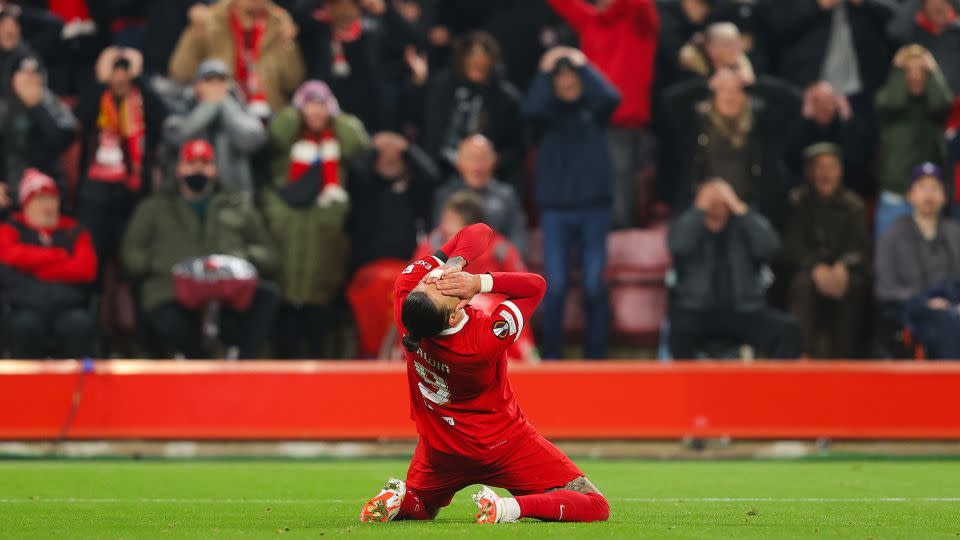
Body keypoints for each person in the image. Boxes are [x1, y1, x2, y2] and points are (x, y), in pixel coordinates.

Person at [359, 223, 610, 524]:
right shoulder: (481, 341)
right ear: (454, 314)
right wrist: (478, 282)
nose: (435, 280)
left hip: (441, 449)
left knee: (422, 506)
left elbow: (476, 230)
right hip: (502, 445)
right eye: (439, 288)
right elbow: (536, 285)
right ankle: (507, 509)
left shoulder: (407, 303)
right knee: (594, 504)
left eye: (427, 282)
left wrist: (452, 263)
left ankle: (399, 499)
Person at [121, 139, 279, 359]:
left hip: (228, 290)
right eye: (191, 163)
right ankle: (199, 364)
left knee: (267, 295)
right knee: (167, 318)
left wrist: (241, 259)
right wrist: (163, 263)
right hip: (172, 289)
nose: (198, 169)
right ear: (179, 169)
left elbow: (270, 254)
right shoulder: (155, 207)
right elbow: (131, 254)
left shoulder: (237, 206)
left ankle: (243, 365)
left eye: (205, 163)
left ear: (215, 169)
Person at [523, 46, 620, 360]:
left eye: (572, 77)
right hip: (555, 209)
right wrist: (543, 69)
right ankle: (553, 357)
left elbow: (611, 97)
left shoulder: (594, 110)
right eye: (560, 77)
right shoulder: (546, 116)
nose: (567, 83)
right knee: (557, 285)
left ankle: (597, 356)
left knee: (594, 284)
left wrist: (584, 65)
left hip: (595, 208)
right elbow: (531, 108)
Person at [260, 80, 369, 358]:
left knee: (319, 320)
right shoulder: (289, 138)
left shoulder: (338, 139)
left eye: (322, 105)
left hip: (323, 235)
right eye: (310, 104)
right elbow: (274, 133)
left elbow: (357, 141)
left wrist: (335, 115)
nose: (316, 112)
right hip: (286, 231)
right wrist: (295, 113)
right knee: (285, 324)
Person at [548, 0, 658, 229]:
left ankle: (622, 237)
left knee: (620, 183)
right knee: (587, 182)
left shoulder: (638, 20)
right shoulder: (591, 21)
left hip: (624, 121)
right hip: (589, 120)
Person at [667, 179, 801, 359]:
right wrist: (698, 211)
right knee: (678, 330)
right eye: (710, 200)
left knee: (786, 329)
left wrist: (740, 209)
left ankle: (778, 387)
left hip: (744, 310)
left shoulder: (743, 226)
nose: (715, 204)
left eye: (722, 200)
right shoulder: (690, 225)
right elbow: (677, 244)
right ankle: (686, 387)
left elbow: (770, 246)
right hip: (697, 310)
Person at [75, 47, 168, 268]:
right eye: (114, 70)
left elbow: (163, 120)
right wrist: (101, 81)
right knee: (93, 258)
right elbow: (80, 118)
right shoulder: (98, 97)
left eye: (124, 70)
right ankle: (92, 301)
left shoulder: (143, 99)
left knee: (133, 259)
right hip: (95, 194)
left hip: (134, 193)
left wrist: (140, 79)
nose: (119, 76)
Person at [782, 143, 870, 358]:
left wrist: (844, 266)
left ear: (840, 172)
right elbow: (790, 246)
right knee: (801, 284)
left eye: (831, 168)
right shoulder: (798, 202)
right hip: (810, 271)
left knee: (856, 285)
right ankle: (803, 354)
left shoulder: (854, 205)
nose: (826, 174)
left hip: (843, 271)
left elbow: (862, 248)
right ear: (809, 173)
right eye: (820, 168)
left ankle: (846, 358)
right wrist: (814, 267)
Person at [0, 169, 98, 359]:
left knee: (79, 325)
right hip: (23, 306)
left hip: (69, 306)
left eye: (51, 199)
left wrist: (35, 269)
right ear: (26, 204)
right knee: (24, 327)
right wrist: (58, 256)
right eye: (40, 200)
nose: (47, 206)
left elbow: (85, 269)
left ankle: (80, 386)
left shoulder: (74, 230)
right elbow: (9, 256)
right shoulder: (10, 229)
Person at [419, 31, 525, 189]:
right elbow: (421, 125)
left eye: (484, 55)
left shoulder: (507, 98)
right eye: (472, 55)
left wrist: (495, 161)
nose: (478, 61)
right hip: (441, 172)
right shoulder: (440, 87)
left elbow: (518, 145)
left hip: (488, 179)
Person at [168, 0, 305, 119]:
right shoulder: (211, 20)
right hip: (222, 109)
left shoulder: (280, 23)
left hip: (269, 110)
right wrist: (195, 33)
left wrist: (287, 45)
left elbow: (292, 82)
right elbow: (181, 72)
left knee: (288, 119)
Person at [876, 163, 960, 355]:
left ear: (944, 197)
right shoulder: (893, 235)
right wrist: (924, 302)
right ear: (910, 195)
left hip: (954, 308)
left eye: (935, 188)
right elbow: (885, 289)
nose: (929, 195)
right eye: (922, 187)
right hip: (914, 314)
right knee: (946, 326)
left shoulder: (956, 233)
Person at [874, 44, 954, 239]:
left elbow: (944, 103)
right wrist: (896, 72)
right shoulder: (888, 105)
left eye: (921, 70)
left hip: (928, 200)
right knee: (889, 257)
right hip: (895, 197)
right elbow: (892, 102)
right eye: (908, 71)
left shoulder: (932, 109)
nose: (915, 76)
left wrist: (933, 70)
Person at [163, 59, 267, 194]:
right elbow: (176, 137)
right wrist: (209, 107)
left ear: (229, 85)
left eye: (220, 81)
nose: (215, 87)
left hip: (234, 199)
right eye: (209, 81)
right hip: (189, 196)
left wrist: (225, 104)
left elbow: (251, 141)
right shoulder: (182, 108)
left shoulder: (241, 110)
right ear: (197, 85)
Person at [348, 131, 440, 270]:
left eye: (395, 152)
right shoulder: (365, 186)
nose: (389, 155)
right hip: (366, 264)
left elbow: (432, 175)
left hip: (403, 262)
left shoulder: (413, 189)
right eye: (384, 152)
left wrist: (408, 149)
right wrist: (373, 149)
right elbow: (355, 172)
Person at [0, 53, 76, 217]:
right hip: (9, 190)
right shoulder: (3, 105)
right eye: (25, 73)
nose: (31, 79)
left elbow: (60, 143)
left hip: (46, 189)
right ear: (12, 78)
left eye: (35, 73)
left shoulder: (52, 104)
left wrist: (37, 108)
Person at [432, 135, 526, 252]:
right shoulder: (446, 195)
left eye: (483, 158)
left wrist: (507, 255)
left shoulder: (506, 195)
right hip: (456, 262)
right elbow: (437, 237)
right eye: (471, 158)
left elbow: (518, 237)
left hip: (495, 263)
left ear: (494, 160)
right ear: (459, 162)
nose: (477, 165)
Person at [785, 81, 871, 196]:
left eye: (829, 103)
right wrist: (804, 119)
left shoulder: (844, 126)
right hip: (806, 189)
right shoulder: (803, 126)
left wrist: (847, 119)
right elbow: (791, 157)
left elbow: (855, 159)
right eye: (819, 102)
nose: (825, 108)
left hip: (844, 188)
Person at [888, 0, 960, 94]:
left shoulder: (956, 33)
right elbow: (896, 32)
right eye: (933, 4)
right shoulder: (914, 34)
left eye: (944, 2)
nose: (939, 7)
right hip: (922, 103)